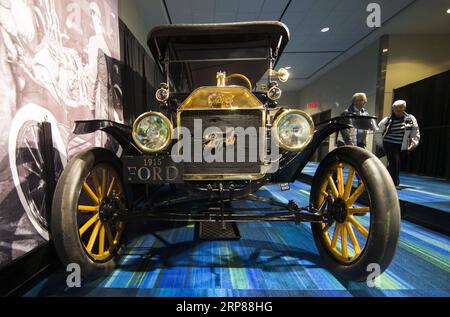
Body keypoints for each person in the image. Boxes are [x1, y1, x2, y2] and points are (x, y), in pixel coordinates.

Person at [377, 100, 420, 187]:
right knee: (395, 162)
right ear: (393, 109)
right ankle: (394, 182)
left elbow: (414, 131)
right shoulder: (388, 119)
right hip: (388, 143)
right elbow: (378, 131)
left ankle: (383, 178)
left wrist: (413, 143)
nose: (398, 109)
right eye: (396, 107)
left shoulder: (409, 119)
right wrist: (380, 144)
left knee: (395, 163)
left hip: (401, 145)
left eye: (401, 107)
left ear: (404, 108)